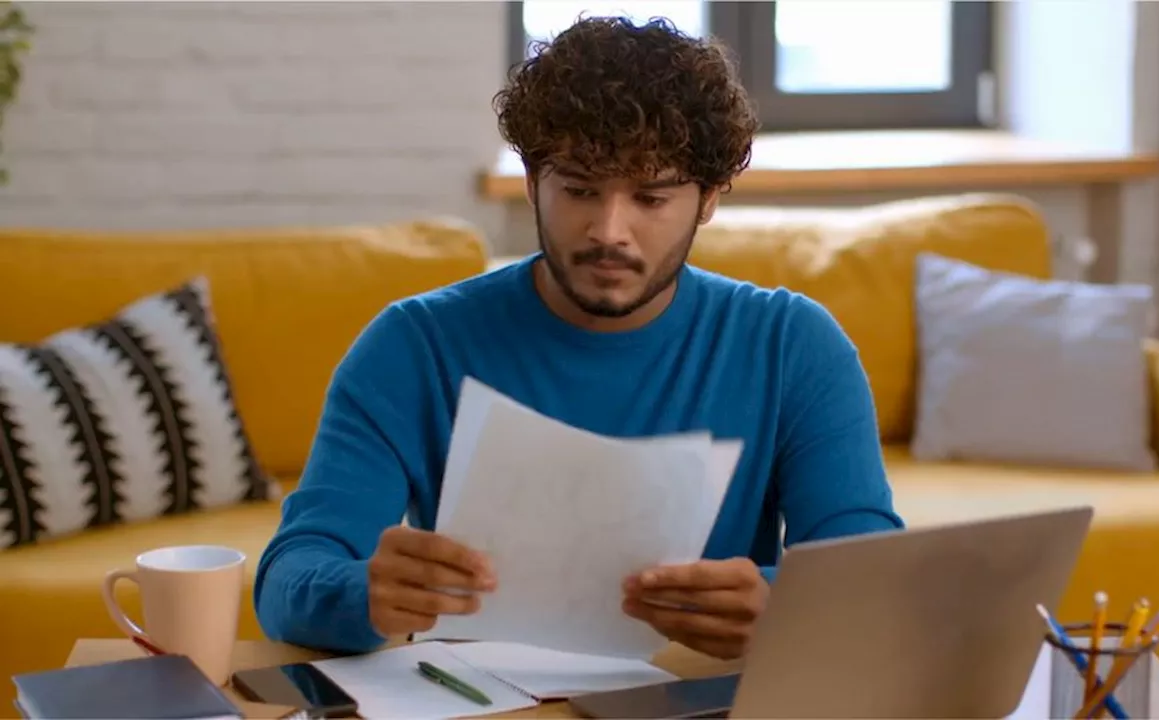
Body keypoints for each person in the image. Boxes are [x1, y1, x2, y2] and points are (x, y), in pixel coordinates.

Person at [254, 15, 904, 662]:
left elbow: (875, 580)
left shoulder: (793, 347)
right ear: (534, 184)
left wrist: (782, 605)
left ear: (707, 199)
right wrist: (361, 593)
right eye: (580, 189)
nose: (609, 230)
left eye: (651, 197)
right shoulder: (414, 346)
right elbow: (288, 578)